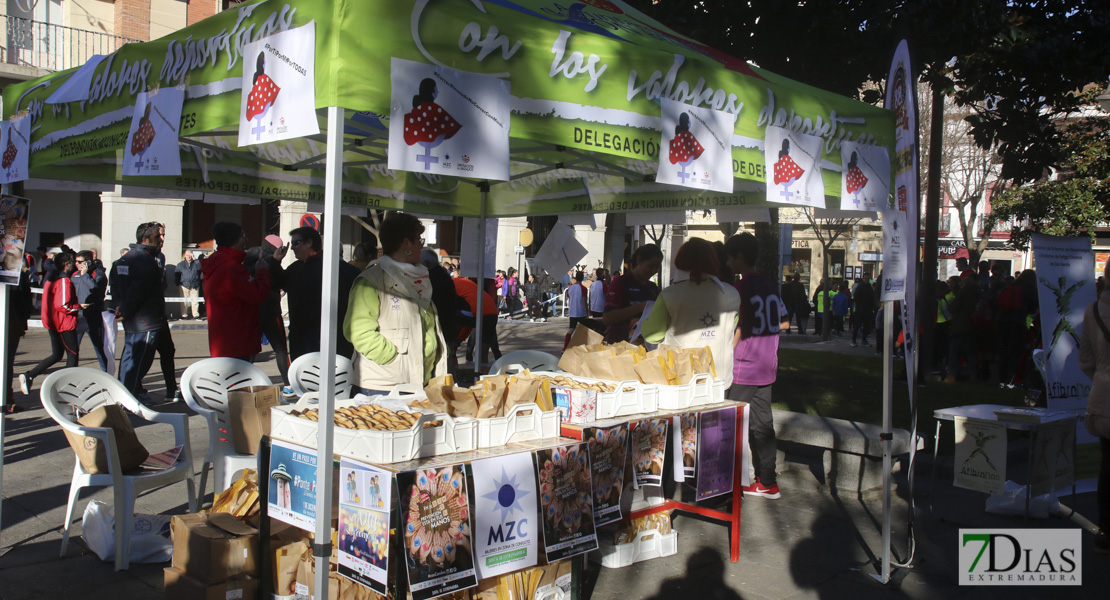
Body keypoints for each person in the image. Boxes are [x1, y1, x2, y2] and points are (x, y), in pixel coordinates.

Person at [344, 213, 447, 394]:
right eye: (419, 239)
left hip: (420, 382)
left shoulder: (420, 280)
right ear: (406, 243)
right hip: (382, 386)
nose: (421, 245)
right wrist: (391, 358)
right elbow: (358, 331)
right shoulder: (371, 280)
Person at [724, 233, 785, 499]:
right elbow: (785, 322)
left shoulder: (740, 289)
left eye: (729, 258)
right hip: (766, 365)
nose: (728, 263)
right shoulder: (771, 285)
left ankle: (726, 481)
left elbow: (736, 328)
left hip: (743, 366)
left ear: (738, 257)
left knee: (729, 425)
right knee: (763, 425)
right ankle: (768, 482)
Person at [641, 238, 740, 386]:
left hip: (681, 379)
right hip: (719, 379)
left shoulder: (670, 295)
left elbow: (653, 335)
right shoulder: (732, 293)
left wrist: (643, 323)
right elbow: (730, 329)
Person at [113, 223, 174, 402]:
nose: (161, 240)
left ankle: (125, 394)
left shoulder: (128, 259)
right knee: (139, 361)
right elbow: (138, 290)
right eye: (158, 237)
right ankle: (128, 398)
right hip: (145, 321)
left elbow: (118, 287)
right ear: (145, 239)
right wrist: (124, 308)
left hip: (140, 319)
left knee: (130, 357)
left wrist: (120, 307)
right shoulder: (144, 260)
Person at [280, 226, 361, 360]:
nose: (292, 248)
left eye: (295, 243)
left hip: (330, 338)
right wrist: (275, 262)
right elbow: (277, 284)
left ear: (309, 243)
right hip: (306, 339)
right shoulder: (295, 268)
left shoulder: (343, 270)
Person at [201, 222, 272, 361]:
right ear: (237, 239)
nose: (245, 240)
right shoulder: (232, 268)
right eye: (243, 236)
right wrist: (263, 272)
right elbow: (258, 294)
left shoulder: (215, 262)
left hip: (222, 339)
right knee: (240, 380)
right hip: (238, 339)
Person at [1078, 261, 1110, 555]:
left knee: (1107, 465)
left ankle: (1105, 526)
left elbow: (1085, 359)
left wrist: (1101, 377)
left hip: (1103, 397)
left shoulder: (1093, 310)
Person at [20, 251, 81, 395]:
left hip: (54, 322)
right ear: (67, 264)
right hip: (63, 323)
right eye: (74, 263)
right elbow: (62, 305)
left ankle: (30, 375)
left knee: (57, 354)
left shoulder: (50, 279)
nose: (75, 266)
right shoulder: (64, 281)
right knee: (73, 354)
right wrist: (78, 307)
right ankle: (68, 388)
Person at [245, 235, 291, 389]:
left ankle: (243, 381)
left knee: (250, 349)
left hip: (252, 311)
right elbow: (284, 282)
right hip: (271, 310)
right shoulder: (272, 263)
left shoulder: (248, 259)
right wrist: (277, 263)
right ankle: (288, 383)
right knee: (280, 349)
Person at [603, 244, 663, 343]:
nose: (653, 271)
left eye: (657, 267)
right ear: (639, 260)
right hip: (620, 344)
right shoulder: (620, 283)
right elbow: (607, 318)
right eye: (650, 266)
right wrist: (640, 307)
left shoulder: (653, 288)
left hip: (645, 345)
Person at [71, 250, 110, 371]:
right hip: (78, 316)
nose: (76, 264)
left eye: (79, 262)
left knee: (99, 348)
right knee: (73, 349)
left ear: (87, 262)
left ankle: (106, 373)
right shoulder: (74, 274)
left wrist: (86, 275)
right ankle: (72, 373)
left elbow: (96, 290)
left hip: (93, 316)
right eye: (75, 261)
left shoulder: (98, 274)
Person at [4, 263, 33, 412]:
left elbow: (25, 297)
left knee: (7, 363)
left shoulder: (15, 273)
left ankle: (7, 399)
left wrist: (22, 318)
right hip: (13, 324)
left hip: (12, 325)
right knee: (7, 363)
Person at [458, 276, 503, 367]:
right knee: (486, 340)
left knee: (483, 339)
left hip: (483, 313)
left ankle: (476, 361)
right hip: (487, 313)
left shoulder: (484, 282)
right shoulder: (484, 282)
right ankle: (491, 360)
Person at [850, 276, 877, 347]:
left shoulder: (870, 288)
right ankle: (853, 340)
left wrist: (872, 307)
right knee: (857, 325)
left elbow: (872, 298)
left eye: (868, 278)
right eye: (865, 278)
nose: (867, 280)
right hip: (860, 310)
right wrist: (859, 306)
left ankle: (864, 340)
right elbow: (855, 297)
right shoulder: (859, 287)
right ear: (863, 279)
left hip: (868, 310)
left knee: (866, 326)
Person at [176, 250, 203, 320]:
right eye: (188, 255)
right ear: (185, 256)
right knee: (184, 301)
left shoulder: (196, 263)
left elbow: (200, 268)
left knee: (195, 301)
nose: (189, 257)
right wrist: (178, 282)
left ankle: (196, 315)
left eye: (191, 255)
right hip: (184, 284)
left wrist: (195, 259)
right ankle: (184, 315)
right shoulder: (180, 264)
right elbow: (177, 274)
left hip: (195, 284)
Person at [564, 271, 588, 349]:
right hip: (581, 313)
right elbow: (584, 301)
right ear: (582, 278)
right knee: (584, 332)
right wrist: (587, 312)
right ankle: (582, 347)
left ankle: (565, 347)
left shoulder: (571, 288)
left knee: (570, 330)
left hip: (573, 312)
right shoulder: (583, 288)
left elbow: (569, 297)